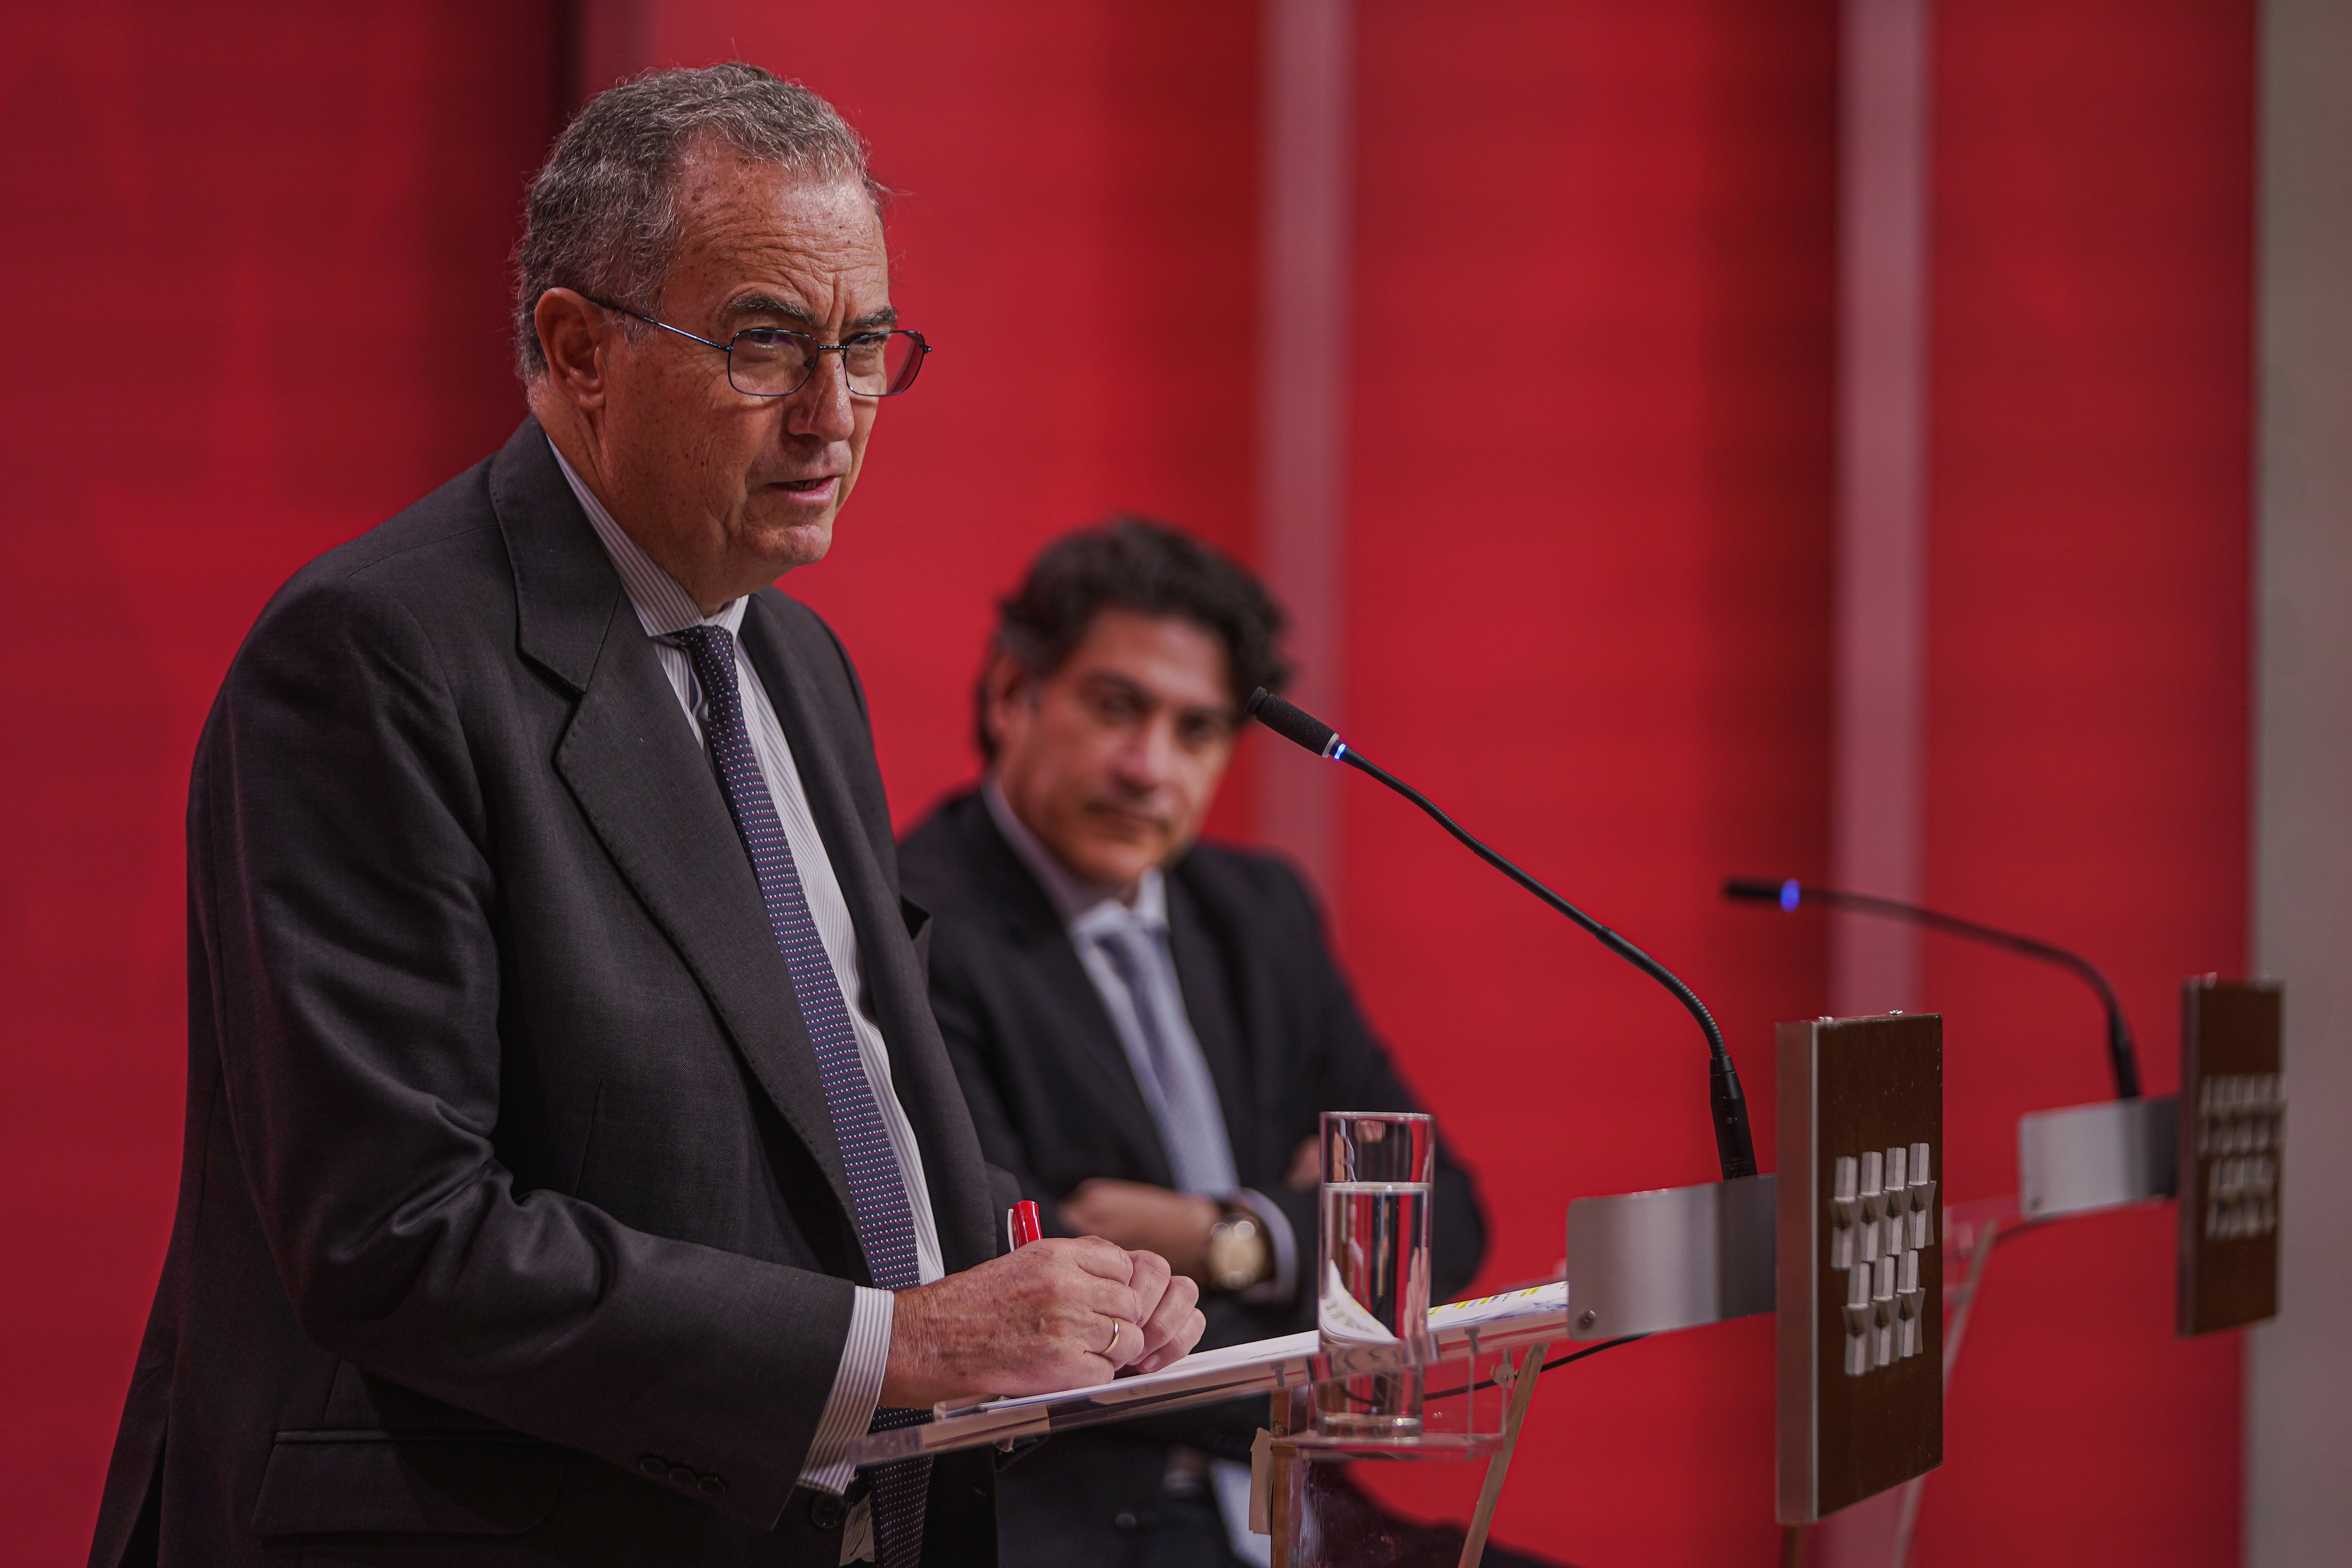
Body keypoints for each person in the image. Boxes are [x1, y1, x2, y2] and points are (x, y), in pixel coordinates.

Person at [86, 65, 1201, 1568]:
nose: (833, 417)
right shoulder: (374, 655)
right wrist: (900, 1339)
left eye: (866, 349)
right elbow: (399, 1230)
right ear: (576, 348)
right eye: (765, 345)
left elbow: (832, 1101)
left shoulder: (798, 661)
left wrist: (1049, 1286)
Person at [901, 522, 1557, 1568]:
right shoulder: (911, 925)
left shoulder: (1259, 914)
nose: (1147, 767)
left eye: (1196, 730)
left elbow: (1447, 1217)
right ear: (1011, 695)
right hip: (1086, 1520)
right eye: (1117, 706)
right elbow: (1046, 1310)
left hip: (1307, 1507)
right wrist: (1328, 1247)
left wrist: (1232, 1235)